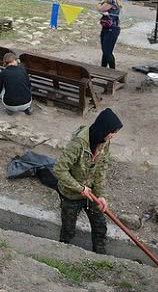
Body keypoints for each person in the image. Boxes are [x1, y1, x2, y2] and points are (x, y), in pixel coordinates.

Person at [54, 108, 123, 254]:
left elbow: (101, 169)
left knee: (100, 226)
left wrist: (101, 195)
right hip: (71, 195)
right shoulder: (78, 143)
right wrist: (79, 188)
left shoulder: (104, 141)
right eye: (113, 132)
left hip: (91, 193)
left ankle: (99, 257)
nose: (113, 136)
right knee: (68, 229)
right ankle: (62, 253)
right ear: (104, 129)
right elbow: (60, 169)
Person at [97, 0, 122, 69]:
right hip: (108, 27)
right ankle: (103, 68)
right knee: (105, 51)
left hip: (111, 29)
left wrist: (100, 3)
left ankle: (112, 71)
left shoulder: (111, 1)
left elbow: (100, 8)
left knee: (107, 52)